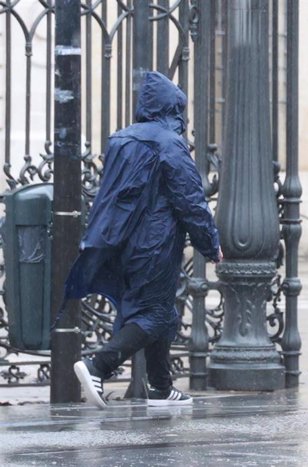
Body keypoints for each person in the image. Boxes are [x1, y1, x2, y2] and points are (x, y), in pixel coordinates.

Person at [66, 71, 221, 409]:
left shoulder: (121, 139)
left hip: (121, 240)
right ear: (173, 108)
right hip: (156, 244)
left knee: (155, 309)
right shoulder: (169, 144)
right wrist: (210, 244)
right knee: (155, 314)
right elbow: (191, 201)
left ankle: (162, 388)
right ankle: (99, 365)